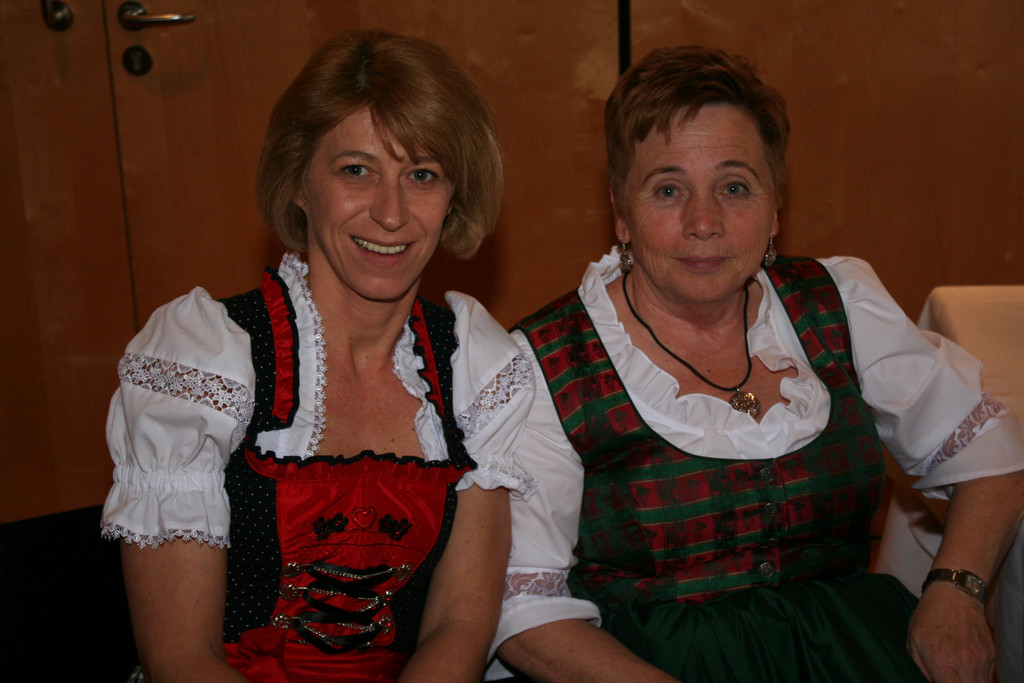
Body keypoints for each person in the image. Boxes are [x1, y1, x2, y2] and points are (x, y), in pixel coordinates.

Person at [490, 45, 1024, 683]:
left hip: (846, 653)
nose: (703, 222)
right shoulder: (547, 364)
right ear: (622, 214)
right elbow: (525, 610)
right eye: (668, 189)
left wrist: (957, 591)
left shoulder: (838, 303)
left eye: (734, 188)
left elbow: (990, 456)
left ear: (775, 211)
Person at [101, 30, 535, 683]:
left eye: (422, 174)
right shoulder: (208, 362)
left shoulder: (474, 367)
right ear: (300, 182)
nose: (391, 213)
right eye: (356, 170)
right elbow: (181, 658)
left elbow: (459, 626)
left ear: (454, 198)